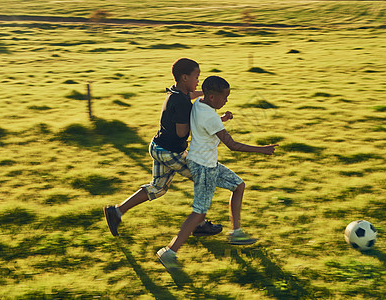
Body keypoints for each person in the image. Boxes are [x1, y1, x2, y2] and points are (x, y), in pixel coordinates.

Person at [157, 75, 278, 272]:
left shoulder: (199, 103)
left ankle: (236, 232)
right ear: (212, 97)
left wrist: (222, 119)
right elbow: (232, 145)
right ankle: (169, 251)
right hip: (203, 167)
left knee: (238, 185)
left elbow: (204, 125)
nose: (226, 101)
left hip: (207, 163)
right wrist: (262, 149)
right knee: (199, 213)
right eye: (224, 97)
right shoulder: (210, 115)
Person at [104, 58, 222, 238]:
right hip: (170, 152)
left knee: (157, 188)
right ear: (184, 77)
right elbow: (182, 132)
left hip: (157, 146)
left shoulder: (175, 91)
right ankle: (199, 224)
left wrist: (205, 94)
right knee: (203, 177)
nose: (198, 80)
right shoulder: (182, 103)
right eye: (196, 77)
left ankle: (117, 211)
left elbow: (188, 96)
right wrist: (208, 122)